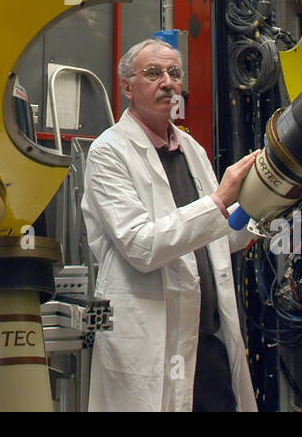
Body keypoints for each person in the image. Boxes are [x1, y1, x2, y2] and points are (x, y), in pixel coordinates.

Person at [81, 37, 259, 412]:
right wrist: (220, 200)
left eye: (174, 73)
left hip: (208, 342)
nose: (167, 81)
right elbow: (142, 246)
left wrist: (263, 203)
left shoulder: (191, 149)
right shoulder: (109, 152)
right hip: (153, 346)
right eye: (153, 72)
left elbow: (219, 237)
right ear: (127, 86)